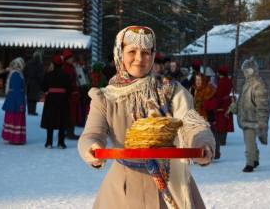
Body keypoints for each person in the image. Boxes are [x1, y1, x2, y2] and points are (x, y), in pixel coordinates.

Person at [78, 26, 215, 208]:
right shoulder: (106, 98)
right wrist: (92, 148)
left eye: (145, 52)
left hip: (171, 185)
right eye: (132, 51)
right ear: (119, 53)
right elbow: (92, 133)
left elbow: (192, 123)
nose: (139, 59)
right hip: (123, 189)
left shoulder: (171, 91)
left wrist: (202, 142)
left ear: (153, 54)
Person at [229, 58, 270, 172]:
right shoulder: (247, 83)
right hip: (246, 117)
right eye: (244, 71)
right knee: (250, 141)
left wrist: (262, 121)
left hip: (253, 118)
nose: (245, 73)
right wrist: (235, 107)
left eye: (247, 71)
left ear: (252, 70)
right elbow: (243, 101)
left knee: (249, 142)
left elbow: (262, 105)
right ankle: (255, 159)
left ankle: (249, 164)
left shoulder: (258, 85)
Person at [41, 55, 71, 149]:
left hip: (51, 99)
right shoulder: (66, 75)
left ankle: (49, 142)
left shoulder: (48, 74)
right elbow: (69, 89)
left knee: (50, 120)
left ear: (53, 64)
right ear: (62, 64)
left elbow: (43, 87)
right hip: (62, 99)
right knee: (61, 120)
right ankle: (61, 143)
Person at [1, 57, 26, 145]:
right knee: (15, 118)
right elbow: (16, 90)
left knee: (12, 118)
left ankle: (12, 137)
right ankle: (15, 138)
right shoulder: (16, 74)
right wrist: (20, 104)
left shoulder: (16, 73)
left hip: (13, 99)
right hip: (15, 101)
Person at [62, 49, 81, 140]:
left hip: (71, 93)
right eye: (70, 58)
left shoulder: (70, 67)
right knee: (70, 113)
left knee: (71, 113)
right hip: (70, 94)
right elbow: (69, 81)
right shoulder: (66, 68)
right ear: (67, 59)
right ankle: (70, 133)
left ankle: (69, 132)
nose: (72, 59)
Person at [214, 65, 234, 147]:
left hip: (222, 104)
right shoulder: (228, 80)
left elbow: (219, 95)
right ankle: (223, 140)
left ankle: (221, 141)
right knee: (225, 122)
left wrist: (215, 104)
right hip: (227, 103)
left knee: (220, 123)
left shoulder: (222, 82)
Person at [23, 50, 44, 115]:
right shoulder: (40, 64)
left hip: (29, 82)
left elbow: (24, 73)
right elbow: (41, 75)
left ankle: (30, 111)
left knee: (29, 97)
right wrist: (41, 83)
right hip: (36, 82)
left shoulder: (28, 63)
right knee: (34, 98)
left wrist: (26, 80)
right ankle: (33, 111)